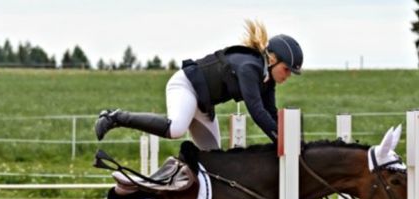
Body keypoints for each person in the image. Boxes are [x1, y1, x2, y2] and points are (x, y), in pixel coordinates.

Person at [94, 20, 303, 150]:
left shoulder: (266, 80)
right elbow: (257, 111)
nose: (288, 76)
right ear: (273, 58)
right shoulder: (250, 67)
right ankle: (115, 117)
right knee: (176, 129)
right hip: (185, 86)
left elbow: (271, 113)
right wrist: (282, 140)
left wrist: (293, 140)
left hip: (203, 105)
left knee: (213, 160)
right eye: (287, 69)